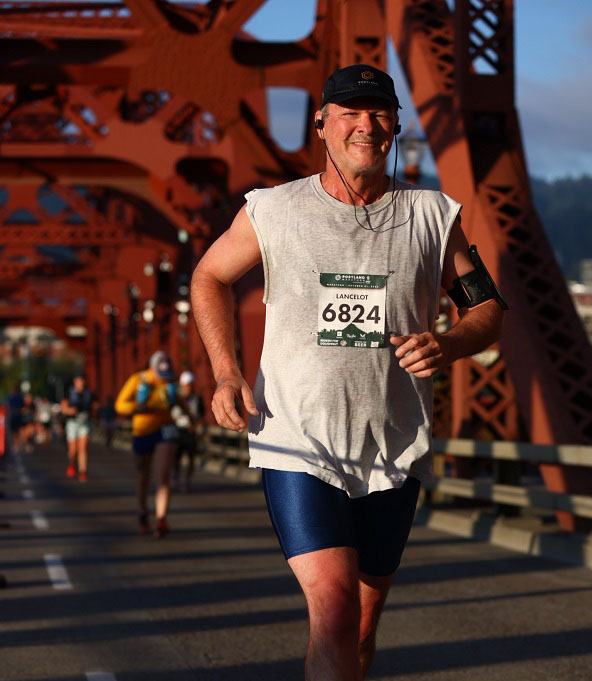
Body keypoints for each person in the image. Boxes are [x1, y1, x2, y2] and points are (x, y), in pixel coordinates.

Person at [191, 63, 506, 681]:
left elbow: (488, 309)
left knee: (359, 626)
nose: (366, 125)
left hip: (393, 448)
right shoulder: (274, 210)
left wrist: (450, 343)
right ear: (322, 125)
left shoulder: (431, 216)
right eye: (350, 113)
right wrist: (226, 371)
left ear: (394, 125)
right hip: (297, 441)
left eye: (379, 112)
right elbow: (209, 275)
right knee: (333, 608)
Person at [115, 351, 181, 538]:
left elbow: (180, 402)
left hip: (165, 429)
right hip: (142, 431)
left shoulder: (170, 382)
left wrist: (191, 418)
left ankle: (161, 518)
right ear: (153, 368)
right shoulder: (138, 380)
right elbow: (119, 404)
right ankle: (143, 512)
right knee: (143, 475)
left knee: (163, 476)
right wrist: (137, 407)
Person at [171, 370, 204, 493]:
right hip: (178, 430)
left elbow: (202, 414)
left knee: (191, 458)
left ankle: (187, 482)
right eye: (186, 385)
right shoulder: (176, 398)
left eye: (190, 385)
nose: (188, 388)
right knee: (176, 458)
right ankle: (175, 479)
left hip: (190, 432)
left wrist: (196, 422)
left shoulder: (196, 398)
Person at [61, 374, 95, 482]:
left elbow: (95, 405)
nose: (80, 384)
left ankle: (82, 471)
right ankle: (72, 464)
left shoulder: (88, 393)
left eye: (82, 381)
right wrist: (71, 411)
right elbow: (63, 408)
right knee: (73, 450)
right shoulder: (69, 393)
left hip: (84, 423)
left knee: (82, 448)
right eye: (78, 381)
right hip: (72, 423)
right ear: (75, 382)